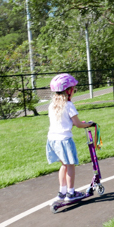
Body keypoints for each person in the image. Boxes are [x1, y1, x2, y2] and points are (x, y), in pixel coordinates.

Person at [46, 74, 95, 202]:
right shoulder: (68, 105)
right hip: (64, 140)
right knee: (71, 166)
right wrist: (89, 124)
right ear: (68, 91)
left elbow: (63, 122)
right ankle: (71, 193)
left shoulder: (52, 106)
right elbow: (78, 124)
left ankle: (62, 192)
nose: (74, 91)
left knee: (64, 165)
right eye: (74, 89)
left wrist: (75, 123)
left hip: (52, 140)